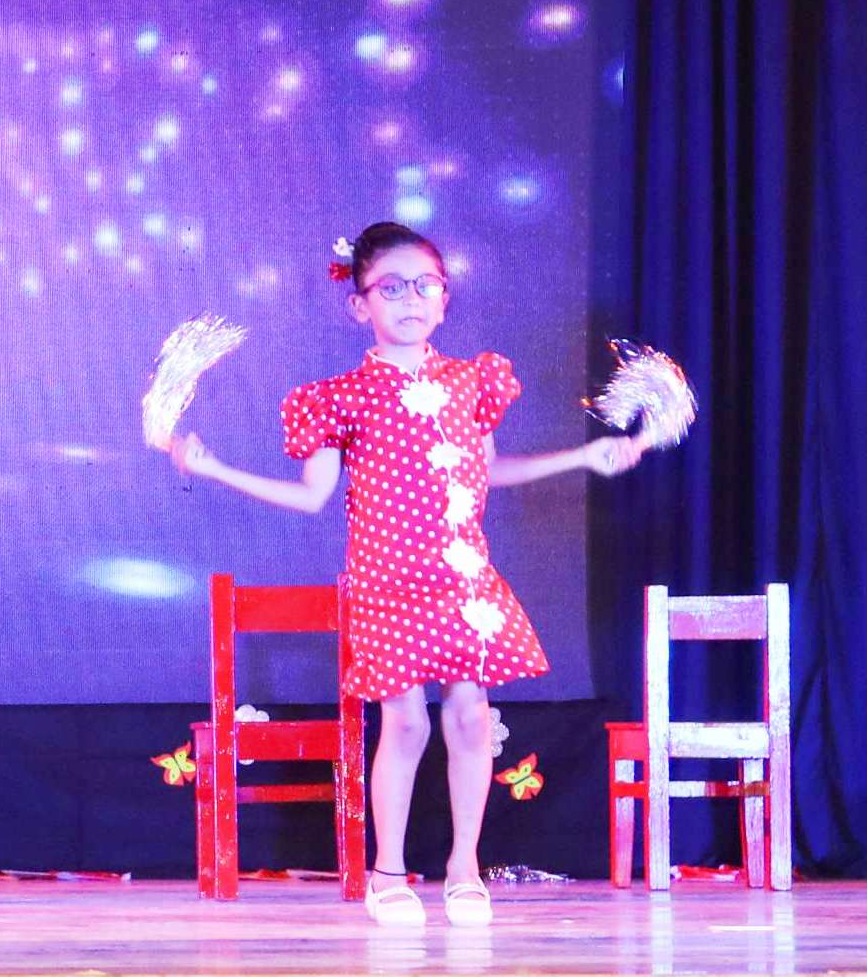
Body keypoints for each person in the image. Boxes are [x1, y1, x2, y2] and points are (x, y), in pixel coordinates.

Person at [170, 221, 638, 926]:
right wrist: (215, 469)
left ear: (444, 299)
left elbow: (488, 471)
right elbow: (312, 495)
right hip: (387, 580)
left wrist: (581, 457)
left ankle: (464, 869)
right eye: (390, 288)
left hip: (462, 577)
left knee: (472, 715)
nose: (410, 299)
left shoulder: (472, 380)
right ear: (359, 305)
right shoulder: (341, 396)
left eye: (425, 285)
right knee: (406, 721)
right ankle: (388, 872)